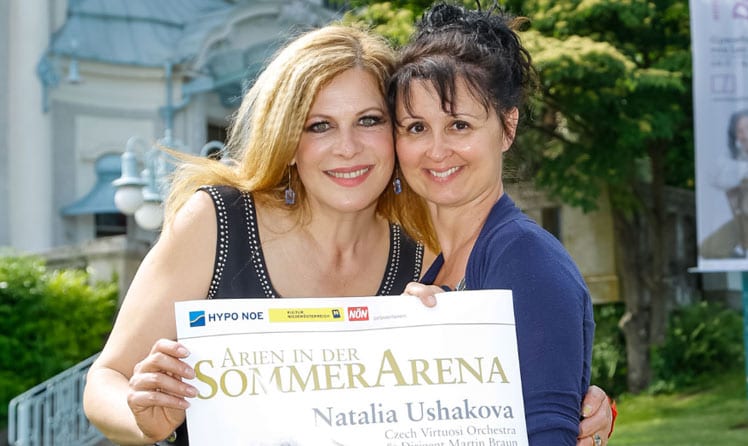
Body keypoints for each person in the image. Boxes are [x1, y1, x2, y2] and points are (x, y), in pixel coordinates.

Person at [82, 21, 613, 446]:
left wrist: (567, 403)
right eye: (319, 126)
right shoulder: (217, 222)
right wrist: (142, 421)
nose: (348, 148)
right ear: (287, 139)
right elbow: (105, 379)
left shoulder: (423, 250)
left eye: (369, 121)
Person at [390, 3, 601, 445]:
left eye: (460, 125)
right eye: (415, 128)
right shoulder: (430, 267)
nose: (436, 150)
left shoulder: (524, 257)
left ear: (507, 128)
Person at [700, 109, 748, 258]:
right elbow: (713, 176)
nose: (745, 135)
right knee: (707, 249)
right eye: (740, 131)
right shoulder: (730, 156)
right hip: (740, 223)